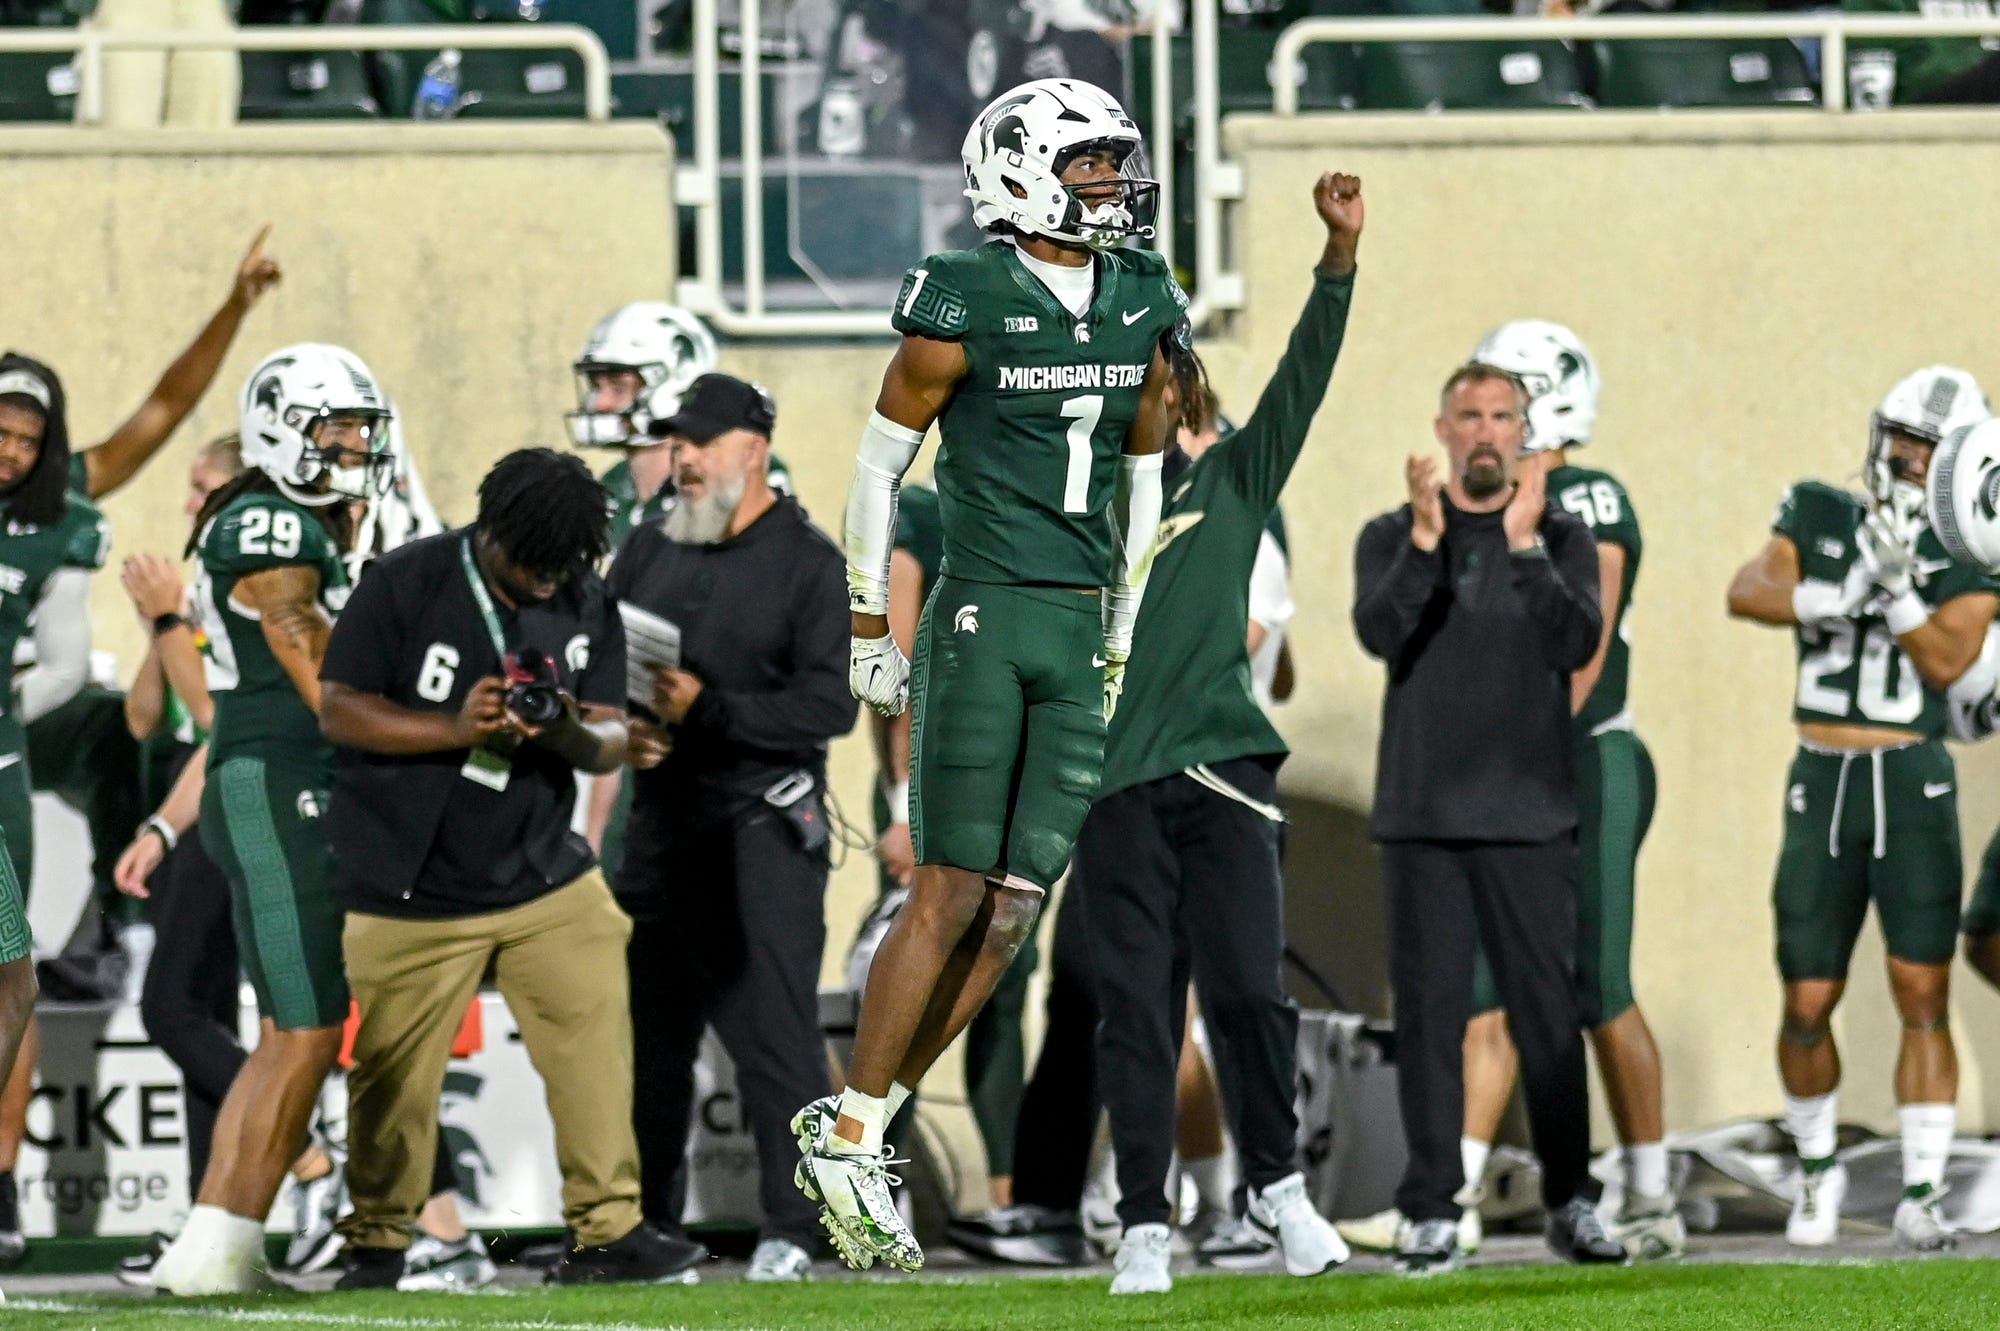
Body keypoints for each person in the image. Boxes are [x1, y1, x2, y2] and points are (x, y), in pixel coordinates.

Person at [792, 75, 1182, 1275]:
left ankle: (860, 1127)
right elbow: (874, 471)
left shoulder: (1139, 294)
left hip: (1075, 625)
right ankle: (857, 1134)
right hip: (980, 611)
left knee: (1015, 909)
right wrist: (870, 622)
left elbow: (1149, 463)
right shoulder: (960, 295)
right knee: (950, 888)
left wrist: (1123, 620)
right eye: (1090, 165)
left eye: (1116, 162)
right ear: (1019, 172)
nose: (1113, 184)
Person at [1077, 168, 1362, 1297]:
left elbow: (1306, 373)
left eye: (1163, 364)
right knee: (1135, 1010)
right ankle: (1143, 1219)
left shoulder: (1234, 480)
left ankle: (1277, 1189)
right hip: (1109, 787)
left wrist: (1336, 257)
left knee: (1250, 992)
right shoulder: (1076, 506)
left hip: (1226, 777)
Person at [319, 448, 698, 1289]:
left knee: (595, 1041)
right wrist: (455, 727)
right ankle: (379, 1242)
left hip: (541, 874)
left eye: (559, 564)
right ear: (489, 528)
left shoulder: (583, 595)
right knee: (390, 1079)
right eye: (528, 561)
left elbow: (608, 740)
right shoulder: (405, 580)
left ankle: (610, 1230)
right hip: (410, 880)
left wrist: (561, 726)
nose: (541, 580)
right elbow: (339, 707)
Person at [1343, 320, 1680, 1262]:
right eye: (1470, 415)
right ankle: (1432, 1206)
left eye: (1503, 415)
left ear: (1525, 428)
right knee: (1434, 1020)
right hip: (1422, 816)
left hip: (1530, 812)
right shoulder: (1389, 533)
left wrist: (1527, 549)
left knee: (1549, 1012)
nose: (1486, 430)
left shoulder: (1564, 535)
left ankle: (1575, 1198)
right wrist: (1421, 539)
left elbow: (1579, 644)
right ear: (1443, 429)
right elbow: (1381, 630)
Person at [1725, 366, 1998, 1252]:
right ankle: (1816, 1170)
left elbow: (1952, 659)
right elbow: (1749, 589)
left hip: (1911, 774)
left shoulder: (1974, 544)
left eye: (1929, 446)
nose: (1909, 458)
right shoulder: (1823, 510)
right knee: (1807, 992)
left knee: (1923, 987)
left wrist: (1899, 593)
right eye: (1903, 437)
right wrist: (1831, 594)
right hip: (1822, 772)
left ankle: (1921, 1188)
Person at [147, 343, 396, 1295]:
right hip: (274, 777)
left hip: (271, 779)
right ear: (286, 429)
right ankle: (225, 1246)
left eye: (360, 432)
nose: (352, 449)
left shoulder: (297, 519)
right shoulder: (263, 522)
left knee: (290, 1028)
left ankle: (212, 1246)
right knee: (307, 1028)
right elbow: (317, 665)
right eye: (337, 431)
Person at [607, 373, 854, 1282]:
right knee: (650, 1040)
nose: (683, 460)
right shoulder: (648, 549)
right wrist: (620, 725)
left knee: (776, 1035)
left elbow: (830, 707)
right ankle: (643, 1223)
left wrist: (711, 709)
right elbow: (604, 656)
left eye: (700, 443)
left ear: (753, 448)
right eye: (675, 443)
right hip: (665, 827)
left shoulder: (809, 562)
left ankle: (798, 1224)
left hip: (762, 828)